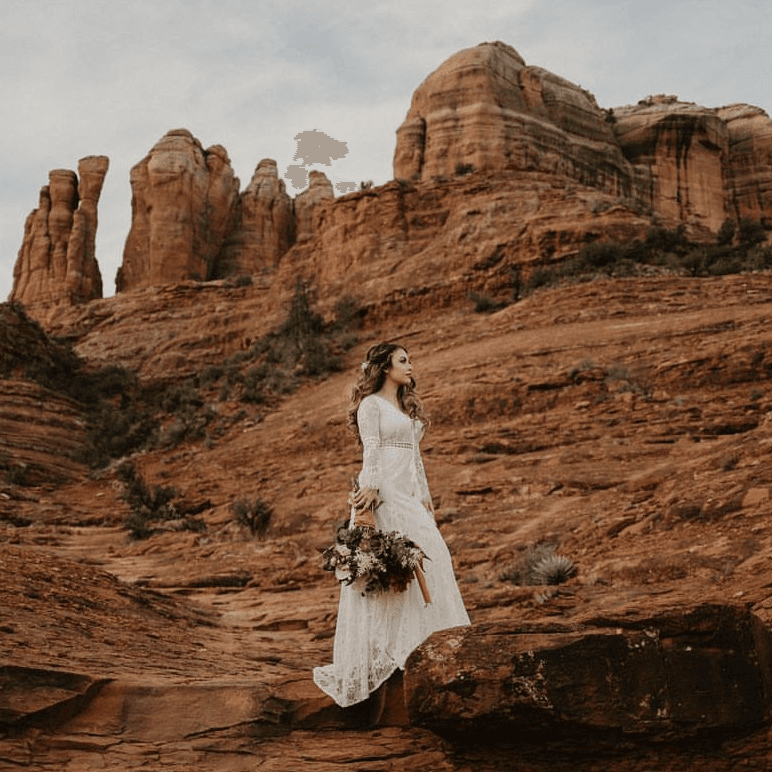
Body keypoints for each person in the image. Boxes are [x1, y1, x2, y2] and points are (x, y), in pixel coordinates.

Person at [313, 342, 470, 709]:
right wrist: (369, 490)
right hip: (382, 497)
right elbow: (371, 449)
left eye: (410, 360)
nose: (410, 366)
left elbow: (415, 458)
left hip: (409, 498)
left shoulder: (404, 406)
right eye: (403, 361)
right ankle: (387, 652)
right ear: (385, 367)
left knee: (436, 561)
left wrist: (426, 497)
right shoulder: (371, 406)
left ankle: (421, 646)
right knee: (390, 576)